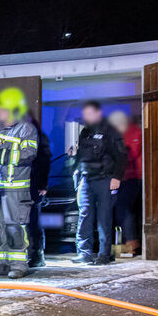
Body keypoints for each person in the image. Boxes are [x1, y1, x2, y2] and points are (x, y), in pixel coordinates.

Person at [0, 87, 39, 279]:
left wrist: (3, 147)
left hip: (16, 188)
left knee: (15, 226)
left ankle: (18, 264)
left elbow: (28, 155)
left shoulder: (27, 129)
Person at [68, 101, 128, 264]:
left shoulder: (111, 131)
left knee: (104, 218)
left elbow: (122, 155)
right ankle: (84, 253)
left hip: (105, 179)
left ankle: (103, 254)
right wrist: (75, 168)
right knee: (84, 216)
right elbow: (81, 155)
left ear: (98, 114)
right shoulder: (85, 132)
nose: (86, 117)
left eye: (89, 114)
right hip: (86, 179)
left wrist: (116, 177)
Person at [108, 111, 142, 255]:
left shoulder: (135, 134)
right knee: (122, 210)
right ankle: (125, 243)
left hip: (133, 177)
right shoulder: (120, 135)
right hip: (123, 177)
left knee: (124, 208)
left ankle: (131, 243)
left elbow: (130, 155)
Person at [27, 117, 52, 267]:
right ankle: (32, 253)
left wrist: (43, 184)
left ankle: (37, 254)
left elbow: (44, 161)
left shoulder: (39, 137)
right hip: (25, 184)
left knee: (34, 221)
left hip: (34, 184)